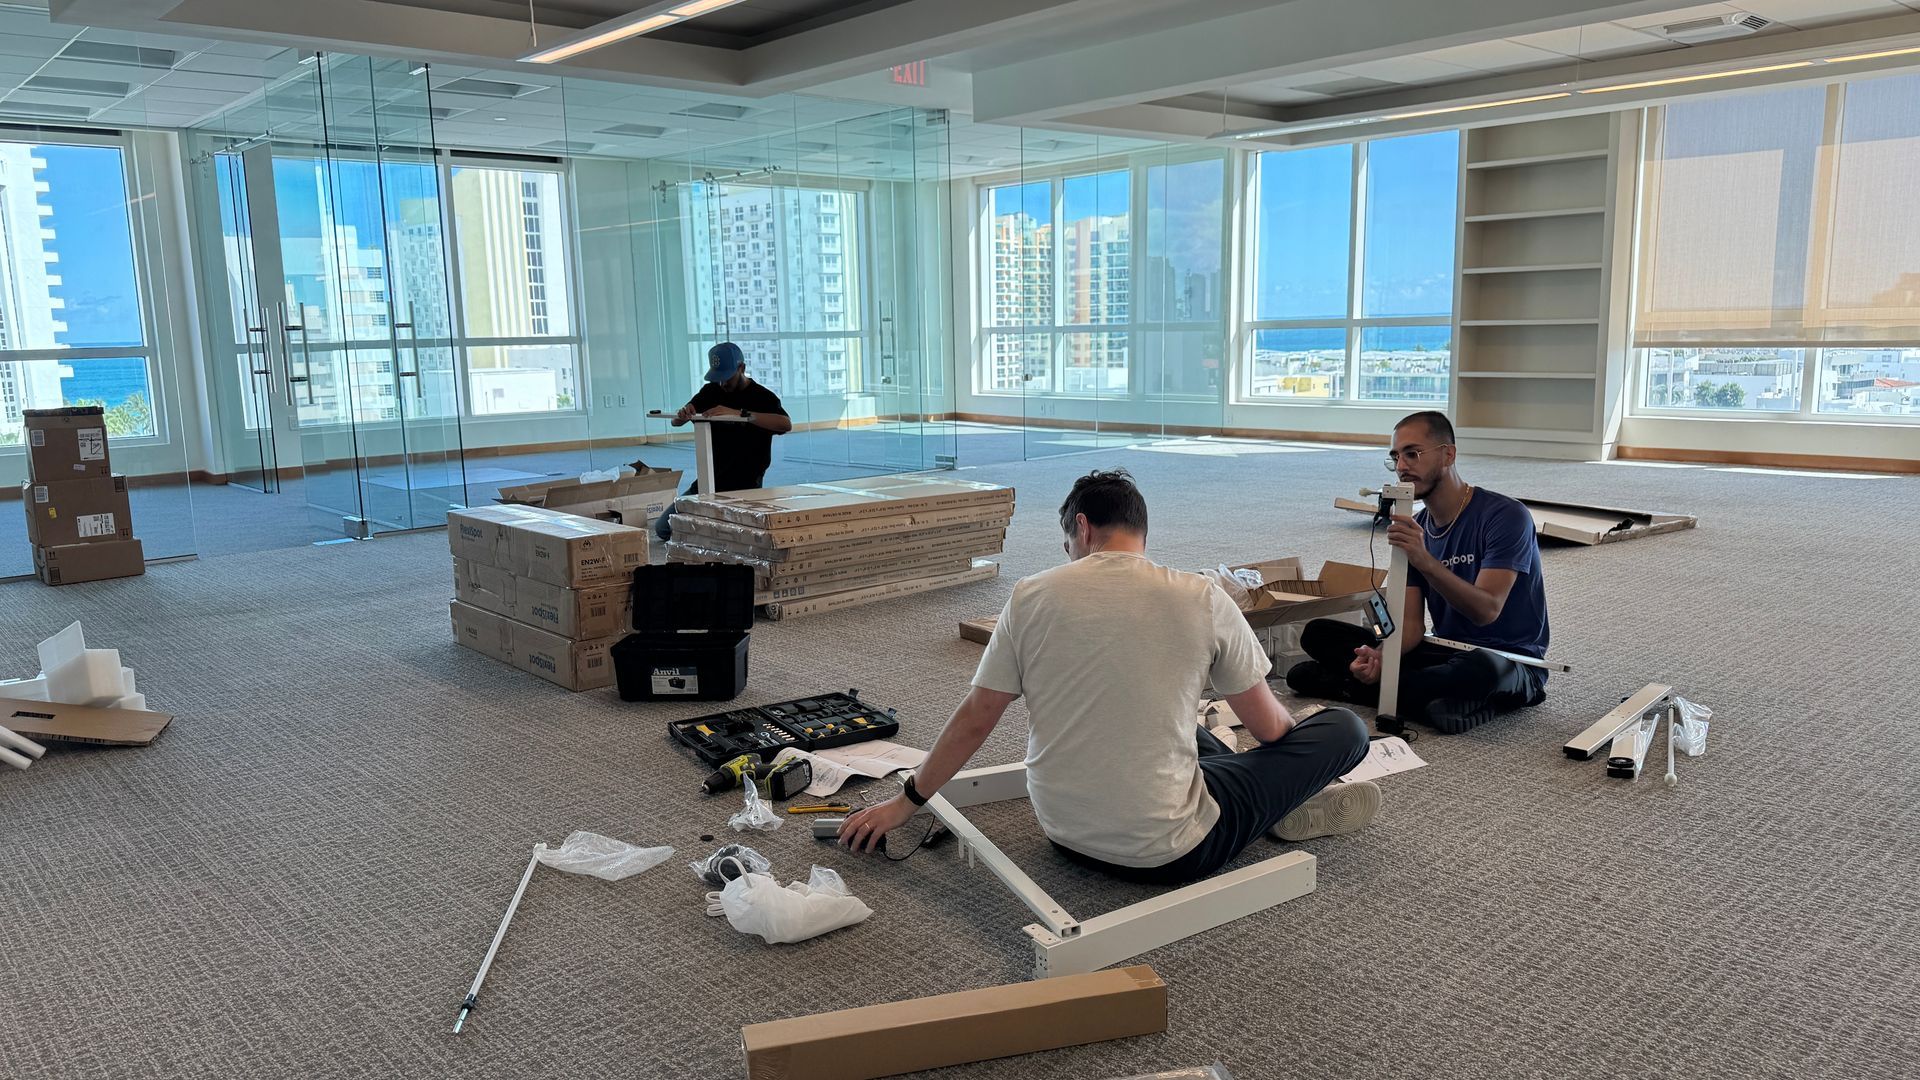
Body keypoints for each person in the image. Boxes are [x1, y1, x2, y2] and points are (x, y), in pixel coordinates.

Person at [838, 468, 1378, 885]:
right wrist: (1287, 757)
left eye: (1066, 543)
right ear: (1141, 532)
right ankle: (1279, 804)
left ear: (1081, 527)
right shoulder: (1201, 597)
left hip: (1064, 834)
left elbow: (977, 717)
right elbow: (1271, 733)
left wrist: (905, 802)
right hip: (1171, 851)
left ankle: (1266, 798)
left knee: (1175, 729)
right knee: (1345, 730)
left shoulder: (1029, 596)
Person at [1285, 410, 1550, 734]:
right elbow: (1410, 625)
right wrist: (1382, 657)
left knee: (1481, 670)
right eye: (1395, 457)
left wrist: (1424, 559)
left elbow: (1486, 610)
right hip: (1446, 649)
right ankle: (1428, 702)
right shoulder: (1418, 526)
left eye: (1413, 454)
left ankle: (1356, 690)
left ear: (1448, 454)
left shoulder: (1506, 516)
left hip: (1510, 660)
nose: (1401, 466)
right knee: (1318, 633)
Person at [656, 342, 792, 542]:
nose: (722, 384)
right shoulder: (710, 391)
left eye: (726, 378)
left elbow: (785, 424)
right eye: (717, 378)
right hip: (707, 481)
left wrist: (739, 414)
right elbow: (677, 422)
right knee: (664, 528)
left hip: (745, 485)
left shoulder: (762, 397)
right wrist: (683, 414)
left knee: (742, 535)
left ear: (741, 368)